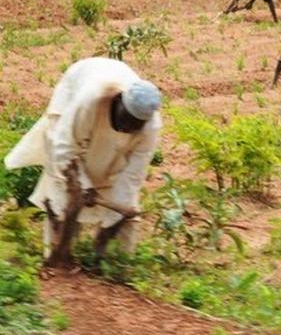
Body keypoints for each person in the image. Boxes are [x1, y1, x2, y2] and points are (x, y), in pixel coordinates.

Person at [3, 58, 162, 264]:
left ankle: (118, 265)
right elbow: (64, 146)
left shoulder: (151, 128)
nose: (128, 127)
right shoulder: (91, 100)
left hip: (104, 132)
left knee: (125, 211)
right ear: (118, 101)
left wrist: (111, 224)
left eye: (136, 124)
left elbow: (131, 177)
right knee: (61, 188)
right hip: (76, 89)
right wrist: (82, 186)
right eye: (126, 119)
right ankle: (55, 257)